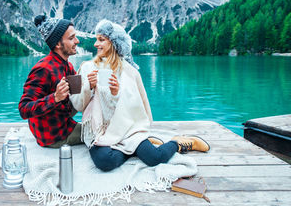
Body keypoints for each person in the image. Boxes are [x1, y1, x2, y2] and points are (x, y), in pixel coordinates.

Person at [70, 19, 210, 172]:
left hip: (129, 131)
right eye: (96, 39)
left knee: (154, 159)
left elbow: (142, 105)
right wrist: (88, 86)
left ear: (115, 43)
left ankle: (179, 143)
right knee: (105, 162)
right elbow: (76, 105)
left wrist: (117, 95)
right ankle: (134, 149)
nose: (96, 44)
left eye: (101, 40)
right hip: (100, 133)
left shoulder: (131, 72)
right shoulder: (86, 67)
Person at [18, 15, 83, 148]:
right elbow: (24, 109)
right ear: (58, 44)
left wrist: (89, 84)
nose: (77, 41)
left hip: (61, 120)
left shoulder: (67, 65)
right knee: (98, 133)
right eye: (71, 38)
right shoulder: (43, 69)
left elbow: (79, 95)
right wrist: (55, 97)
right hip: (53, 135)